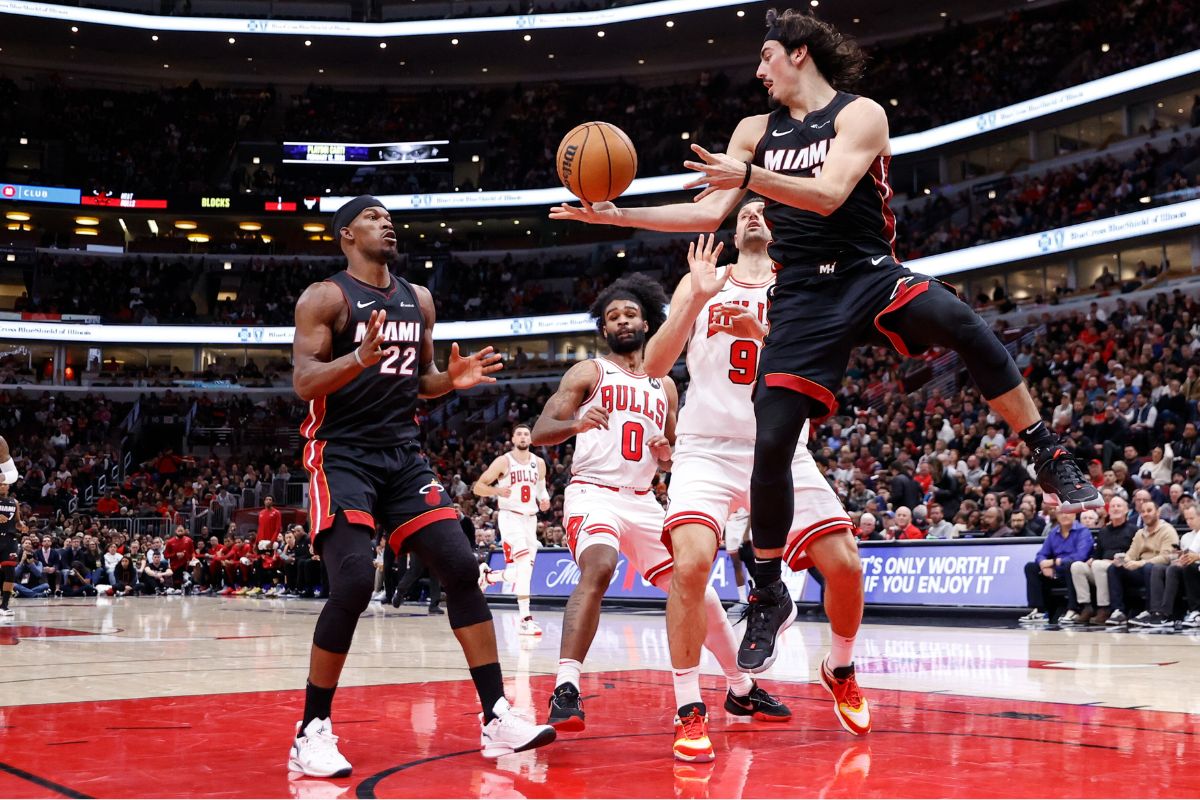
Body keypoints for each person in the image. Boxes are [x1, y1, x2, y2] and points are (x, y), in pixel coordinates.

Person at [550, 7, 1101, 669]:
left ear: (800, 53)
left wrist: (749, 179)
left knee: (965, 326)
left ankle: (1045, 449)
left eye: (766, 57)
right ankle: (765, 593)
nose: (757, 72)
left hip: (868, 272)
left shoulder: (860, 114)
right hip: (803, 294)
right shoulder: (754, 130)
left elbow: (832, 191)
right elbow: (706, 211)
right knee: (774, 437)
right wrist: (617, 215)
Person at [289, 195, 553, 777]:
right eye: (372, 217)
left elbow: (422, 382)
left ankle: (496, 715)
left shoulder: (419, 299)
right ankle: (312, 728)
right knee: (355, 579)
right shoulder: (325, 297)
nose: (386, 222)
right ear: (346, 236)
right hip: (342, 455)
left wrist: (450, 381)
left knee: (461, 568)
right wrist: (357, 358)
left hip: (402, 456)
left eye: (389, 216)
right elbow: (306, 382)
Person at [532, 274, 791, 763]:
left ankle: (740, 686)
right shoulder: (588, 373)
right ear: (603, 331)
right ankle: (565, 686)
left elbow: (675, 451)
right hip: (594, 493)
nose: (622, 320)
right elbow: (543, 427)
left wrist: (668, 453)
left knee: (698, 592)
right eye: (612, 317)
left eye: (629, 313)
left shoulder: (666, 384)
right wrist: (574, 422)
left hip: (645, 499)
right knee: (600, 566)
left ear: (647, 322)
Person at [643, 215, 857, 758]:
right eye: (744, 213)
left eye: (764, 210)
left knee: (846, 563)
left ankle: (841, 666)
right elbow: (653, 365)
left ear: (779, 227)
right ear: (734, 232)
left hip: (781, 444)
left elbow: (821, 368)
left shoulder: (801, 282)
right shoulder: (702, 279)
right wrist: (695, 298)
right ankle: (689, 708)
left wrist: (760, 334)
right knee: (690, 564)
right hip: (707, 448)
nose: (754, 215)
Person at [472, 423, 551, 634]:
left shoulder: (540, 463)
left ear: (531, 439)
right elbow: (478, 487)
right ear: (513, 439)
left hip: (530, 520)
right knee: (524, 564)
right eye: (519, 434)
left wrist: (545, 500)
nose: (523, 437)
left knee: (522, 571)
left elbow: (542, 490)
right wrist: (497, 490)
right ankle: (525, 619)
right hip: (510, 518)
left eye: (526, 434)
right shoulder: (503, 461)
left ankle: (489, 577)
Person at [1103, 499, 1180, 626]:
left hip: (1160, 570)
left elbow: (1167, 556)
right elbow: (1131, 553)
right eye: (1143, 512)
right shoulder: (1140, 533)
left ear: (1158, 512)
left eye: (1149, 511)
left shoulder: (1167, 530)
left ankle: (1150, 610)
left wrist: (1141, 563)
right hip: (1142, 569)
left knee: (1149, 567)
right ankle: (1118, 611)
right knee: (1114, 568)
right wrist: (1124, 561)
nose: (1145, 514)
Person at [1019, 509, 1093, 624]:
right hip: (1055, 574)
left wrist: (1054, 562)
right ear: (1057, 516)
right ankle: (1039, 611)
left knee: (1071, 565)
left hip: (1075, 573)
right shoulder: (1053, 533)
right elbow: (1041, 554)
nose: (1064, 515)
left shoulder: (1083, 532)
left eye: (1067, 512)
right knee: (1031, 567)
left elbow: (1080, 556)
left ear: (1074, 514)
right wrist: (1044, 565)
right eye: (1061, 513)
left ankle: (1073, 609)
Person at [1139, 505, 1200, 628]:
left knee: (1176, 568)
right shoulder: (1186, 537)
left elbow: (1194, 557)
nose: (1189, 521)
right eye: (1187, 519)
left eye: (1192, 518)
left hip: (1194, 570)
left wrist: (1196, 557)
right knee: (1158, 568)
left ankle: (1168, 614)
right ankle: (1157, 612)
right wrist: (1178, 558)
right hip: (1185, 572)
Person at [0, 478, 25, 617]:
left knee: (10, 572)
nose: (3, 486)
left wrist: (22, 526)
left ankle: (4, 606)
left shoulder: (14, 502)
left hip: (9, 540)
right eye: (0, 484)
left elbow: (17, 521)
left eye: (5, 484)